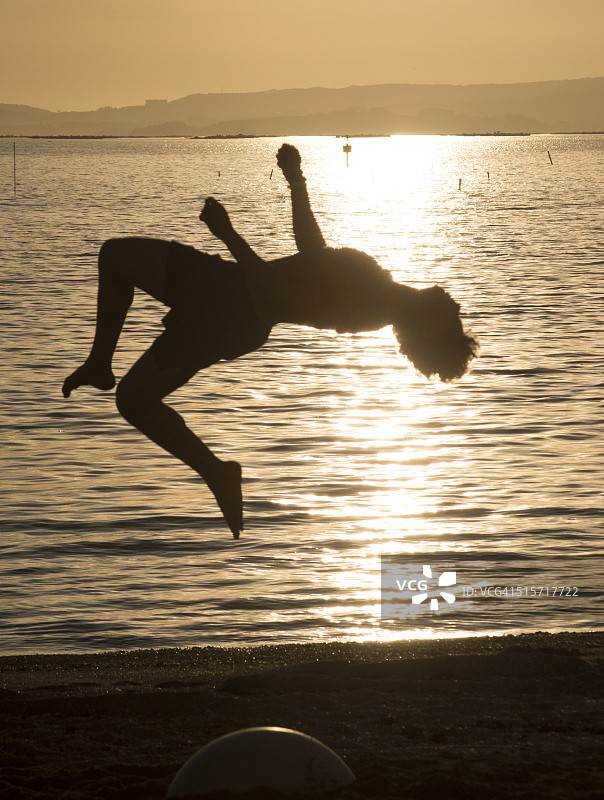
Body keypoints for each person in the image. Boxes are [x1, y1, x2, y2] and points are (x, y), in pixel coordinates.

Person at [62, 144, 478, 539]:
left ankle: (216, 473)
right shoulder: (379, 285)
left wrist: (226, 232)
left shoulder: (371, 307)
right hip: (226, 289)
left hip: (230, 315)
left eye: (450, 318)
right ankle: (101, 363)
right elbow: (314, 252)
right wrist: (297, 182)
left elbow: (277, 290)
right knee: (115, 258)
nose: (451, 303)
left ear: (426, 328)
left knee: (134, 400)